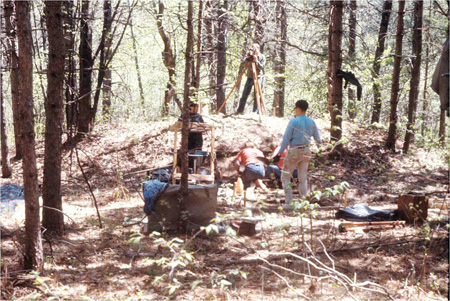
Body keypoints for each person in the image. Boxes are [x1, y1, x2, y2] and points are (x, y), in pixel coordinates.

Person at [273, 100, 322, 209]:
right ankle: (302, 203)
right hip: (306, 150)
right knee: (303, 178)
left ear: (298, 108)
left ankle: (289, 203)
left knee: (285, 177)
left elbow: (286, 140)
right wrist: (321, 150)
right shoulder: (312, 122)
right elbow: (318, 139)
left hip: (294, 150)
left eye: (295, 108)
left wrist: (279, 154)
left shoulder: (293, 122)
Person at [235, 44, 266, 114]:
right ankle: (239, 110)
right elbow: (243, 64)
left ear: (258, 49)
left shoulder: (262, 57)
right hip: (249, 77)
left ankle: (255, 111)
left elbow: (262, 67)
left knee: (257, 95)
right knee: (244, 94)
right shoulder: (249, 57)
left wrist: (256, 61)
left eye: (255, 49)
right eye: (252, 49)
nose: (254, 51)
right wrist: (247, 58)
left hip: (258, 77)